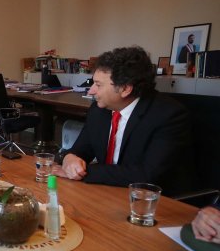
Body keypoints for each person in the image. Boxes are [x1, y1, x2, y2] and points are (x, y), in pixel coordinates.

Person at [53, 46, 194, 196]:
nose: (91, 91)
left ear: (125, 89)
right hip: (108, 193)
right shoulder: (99, 110)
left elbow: (146, 175)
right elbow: (81, 150)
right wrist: (69, 158)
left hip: (151, 200)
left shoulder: (168, 115)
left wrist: (84, 171)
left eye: (98, 85)